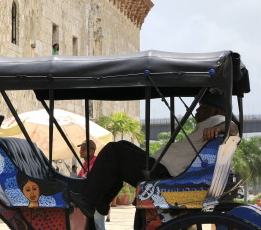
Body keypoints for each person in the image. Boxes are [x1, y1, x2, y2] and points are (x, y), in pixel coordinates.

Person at [70, 93, 237, 218]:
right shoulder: (209, 123)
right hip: (163, 168)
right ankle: (101, 201)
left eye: (201, 108)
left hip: (165, 173)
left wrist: (219, 128)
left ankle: (90, 200)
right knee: (122, 147)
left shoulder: (217, 120)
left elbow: (234, 127)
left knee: (114, 150)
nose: (196, 113)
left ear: (215, 110)